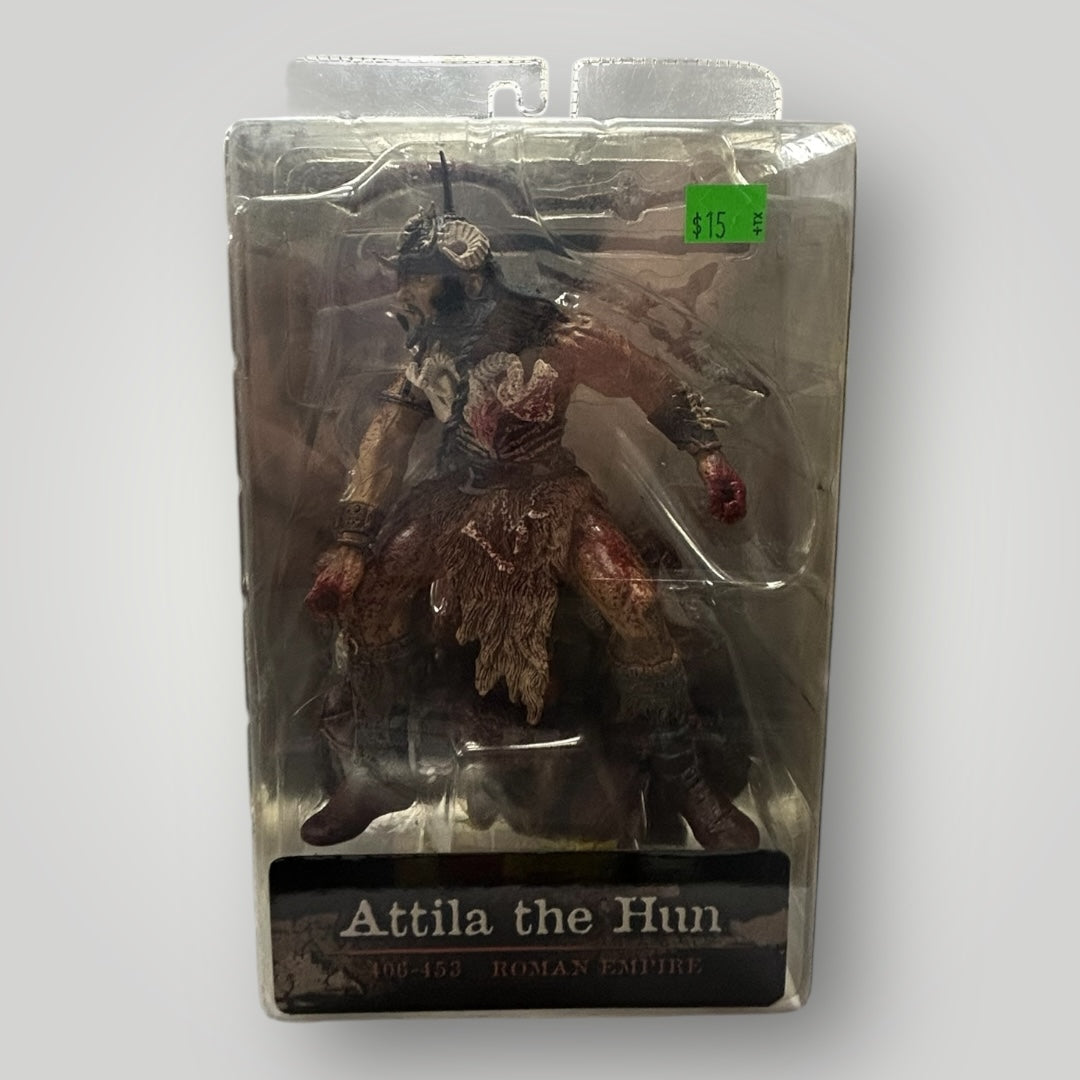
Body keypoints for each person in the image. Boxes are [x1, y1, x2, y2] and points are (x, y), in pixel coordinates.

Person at [301, 156, 759, 851]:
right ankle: (381, 770)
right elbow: (388, 437)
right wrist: (350, 542)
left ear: (468, 281)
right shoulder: (430, 353)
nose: (405, 295)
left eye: (420, 281)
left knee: (635, 602)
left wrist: (707, 454)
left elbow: (649, 382)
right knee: (372, 599)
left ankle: (683, 777)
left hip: (551, 496)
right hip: (455, 497)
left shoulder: (561, 337)